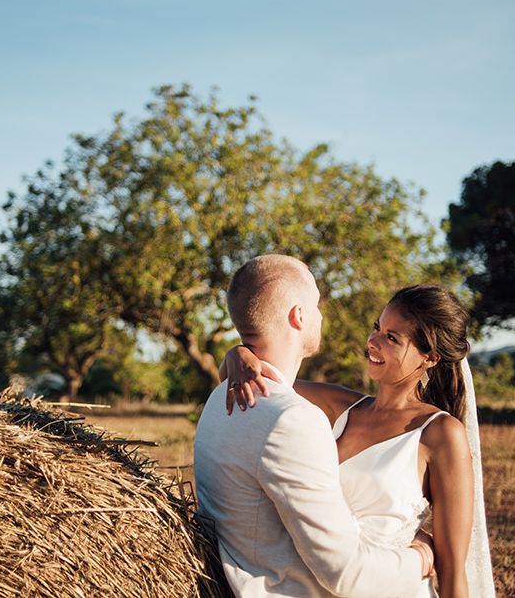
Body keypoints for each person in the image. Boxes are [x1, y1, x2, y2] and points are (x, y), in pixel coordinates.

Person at [221, 283, 495, 597]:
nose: (373, 341)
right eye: (377, 328)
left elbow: (451, 569)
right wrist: (238, 354)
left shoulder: (440, 433)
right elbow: (258, 383)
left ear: (430, 357)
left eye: (392, 337)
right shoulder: (338, 406)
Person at [194, 254, 433, 598]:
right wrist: (421, 558)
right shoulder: (292, 420)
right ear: (299, 315)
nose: (321, 314)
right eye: (317, 304)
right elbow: (346, 573)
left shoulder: (221, 395)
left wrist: (236, 353)